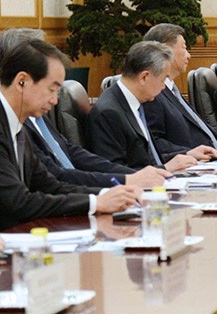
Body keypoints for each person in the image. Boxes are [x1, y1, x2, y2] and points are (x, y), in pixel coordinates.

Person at [0, 27, 168, 189]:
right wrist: (122, 183)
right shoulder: (14, 121)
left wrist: (130, 177)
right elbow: (52, 179)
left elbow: (69, 150)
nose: (55, 100)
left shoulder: (35, 113)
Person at [0, 39, 140, 229]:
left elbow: (52, 186)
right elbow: (19, 202)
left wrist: (109, 196)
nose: (55, 101)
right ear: (21, 81)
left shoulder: (18, 126)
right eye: (52, 89)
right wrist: (95, 203)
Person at [90, 42, 200, 172]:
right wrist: (165, 168)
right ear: (144, 77)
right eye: (163, 80)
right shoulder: (109, 113)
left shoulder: (135, 103)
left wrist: (184, 155)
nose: (163, 87)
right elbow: (113, 172)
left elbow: (146, 157)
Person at [141, 23, 217, 159]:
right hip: (193, 165)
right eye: (184, 48)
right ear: (166, 51)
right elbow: (154, 143)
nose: (189, 55)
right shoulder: (152, 94)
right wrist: (187, 153)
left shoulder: (172, 90)